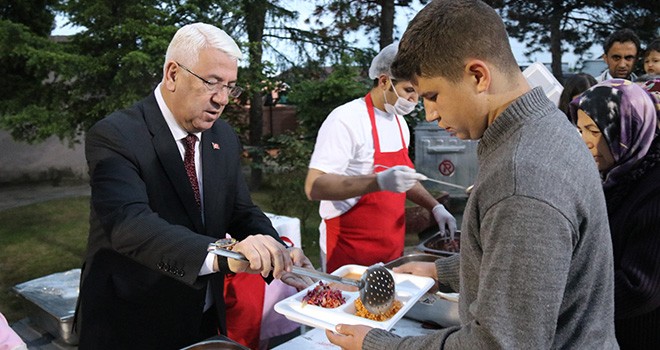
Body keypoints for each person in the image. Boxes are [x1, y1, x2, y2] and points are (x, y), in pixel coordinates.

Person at [326, 1, 619, 349]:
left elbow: (497, 344)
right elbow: (526, 268)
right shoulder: (544, 128)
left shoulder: (522, 177)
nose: (430, 114)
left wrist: (379, 345)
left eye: (432, 96)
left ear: (478, 75)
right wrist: (443, 272)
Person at [74, 23, 313, 350]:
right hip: (130, 322)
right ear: (172, 74)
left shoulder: (223, 137)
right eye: (212, 82)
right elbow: (130, 225)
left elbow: (240, 210)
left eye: (231, 87)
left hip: (202, 315)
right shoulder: (116, 135)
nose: (222, 99)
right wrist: (225, 254)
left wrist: (277, 251)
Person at [304, 42, 457, 273]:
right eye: (408, 90)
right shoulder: (346, 119)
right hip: (349, 251)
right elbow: (315, 186)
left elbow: (405, 179)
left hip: (391, 250)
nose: (414, 101)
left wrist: (435, 207)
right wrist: (378, 182)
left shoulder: (399, 123)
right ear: (384, 81)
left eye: (419, 92)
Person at [569, 79, 660, 349]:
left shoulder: (654, 189)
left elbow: (640, 288)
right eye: (580, 130)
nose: (584, 141)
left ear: (626, 127)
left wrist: (566, 299)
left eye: (594, 131)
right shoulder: (616, 177)